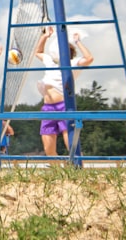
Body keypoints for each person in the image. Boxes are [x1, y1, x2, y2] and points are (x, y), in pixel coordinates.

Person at [34, 27, 93, 157]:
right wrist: (45, 36)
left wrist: (78, 41)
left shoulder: (72, 63)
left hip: (64, 105)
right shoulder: (50, 61)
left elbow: (89, 58)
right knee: (48, 149)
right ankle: (55, 168)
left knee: (71, 145)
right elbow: (38, 52)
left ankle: (78, 166)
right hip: (48, 108)